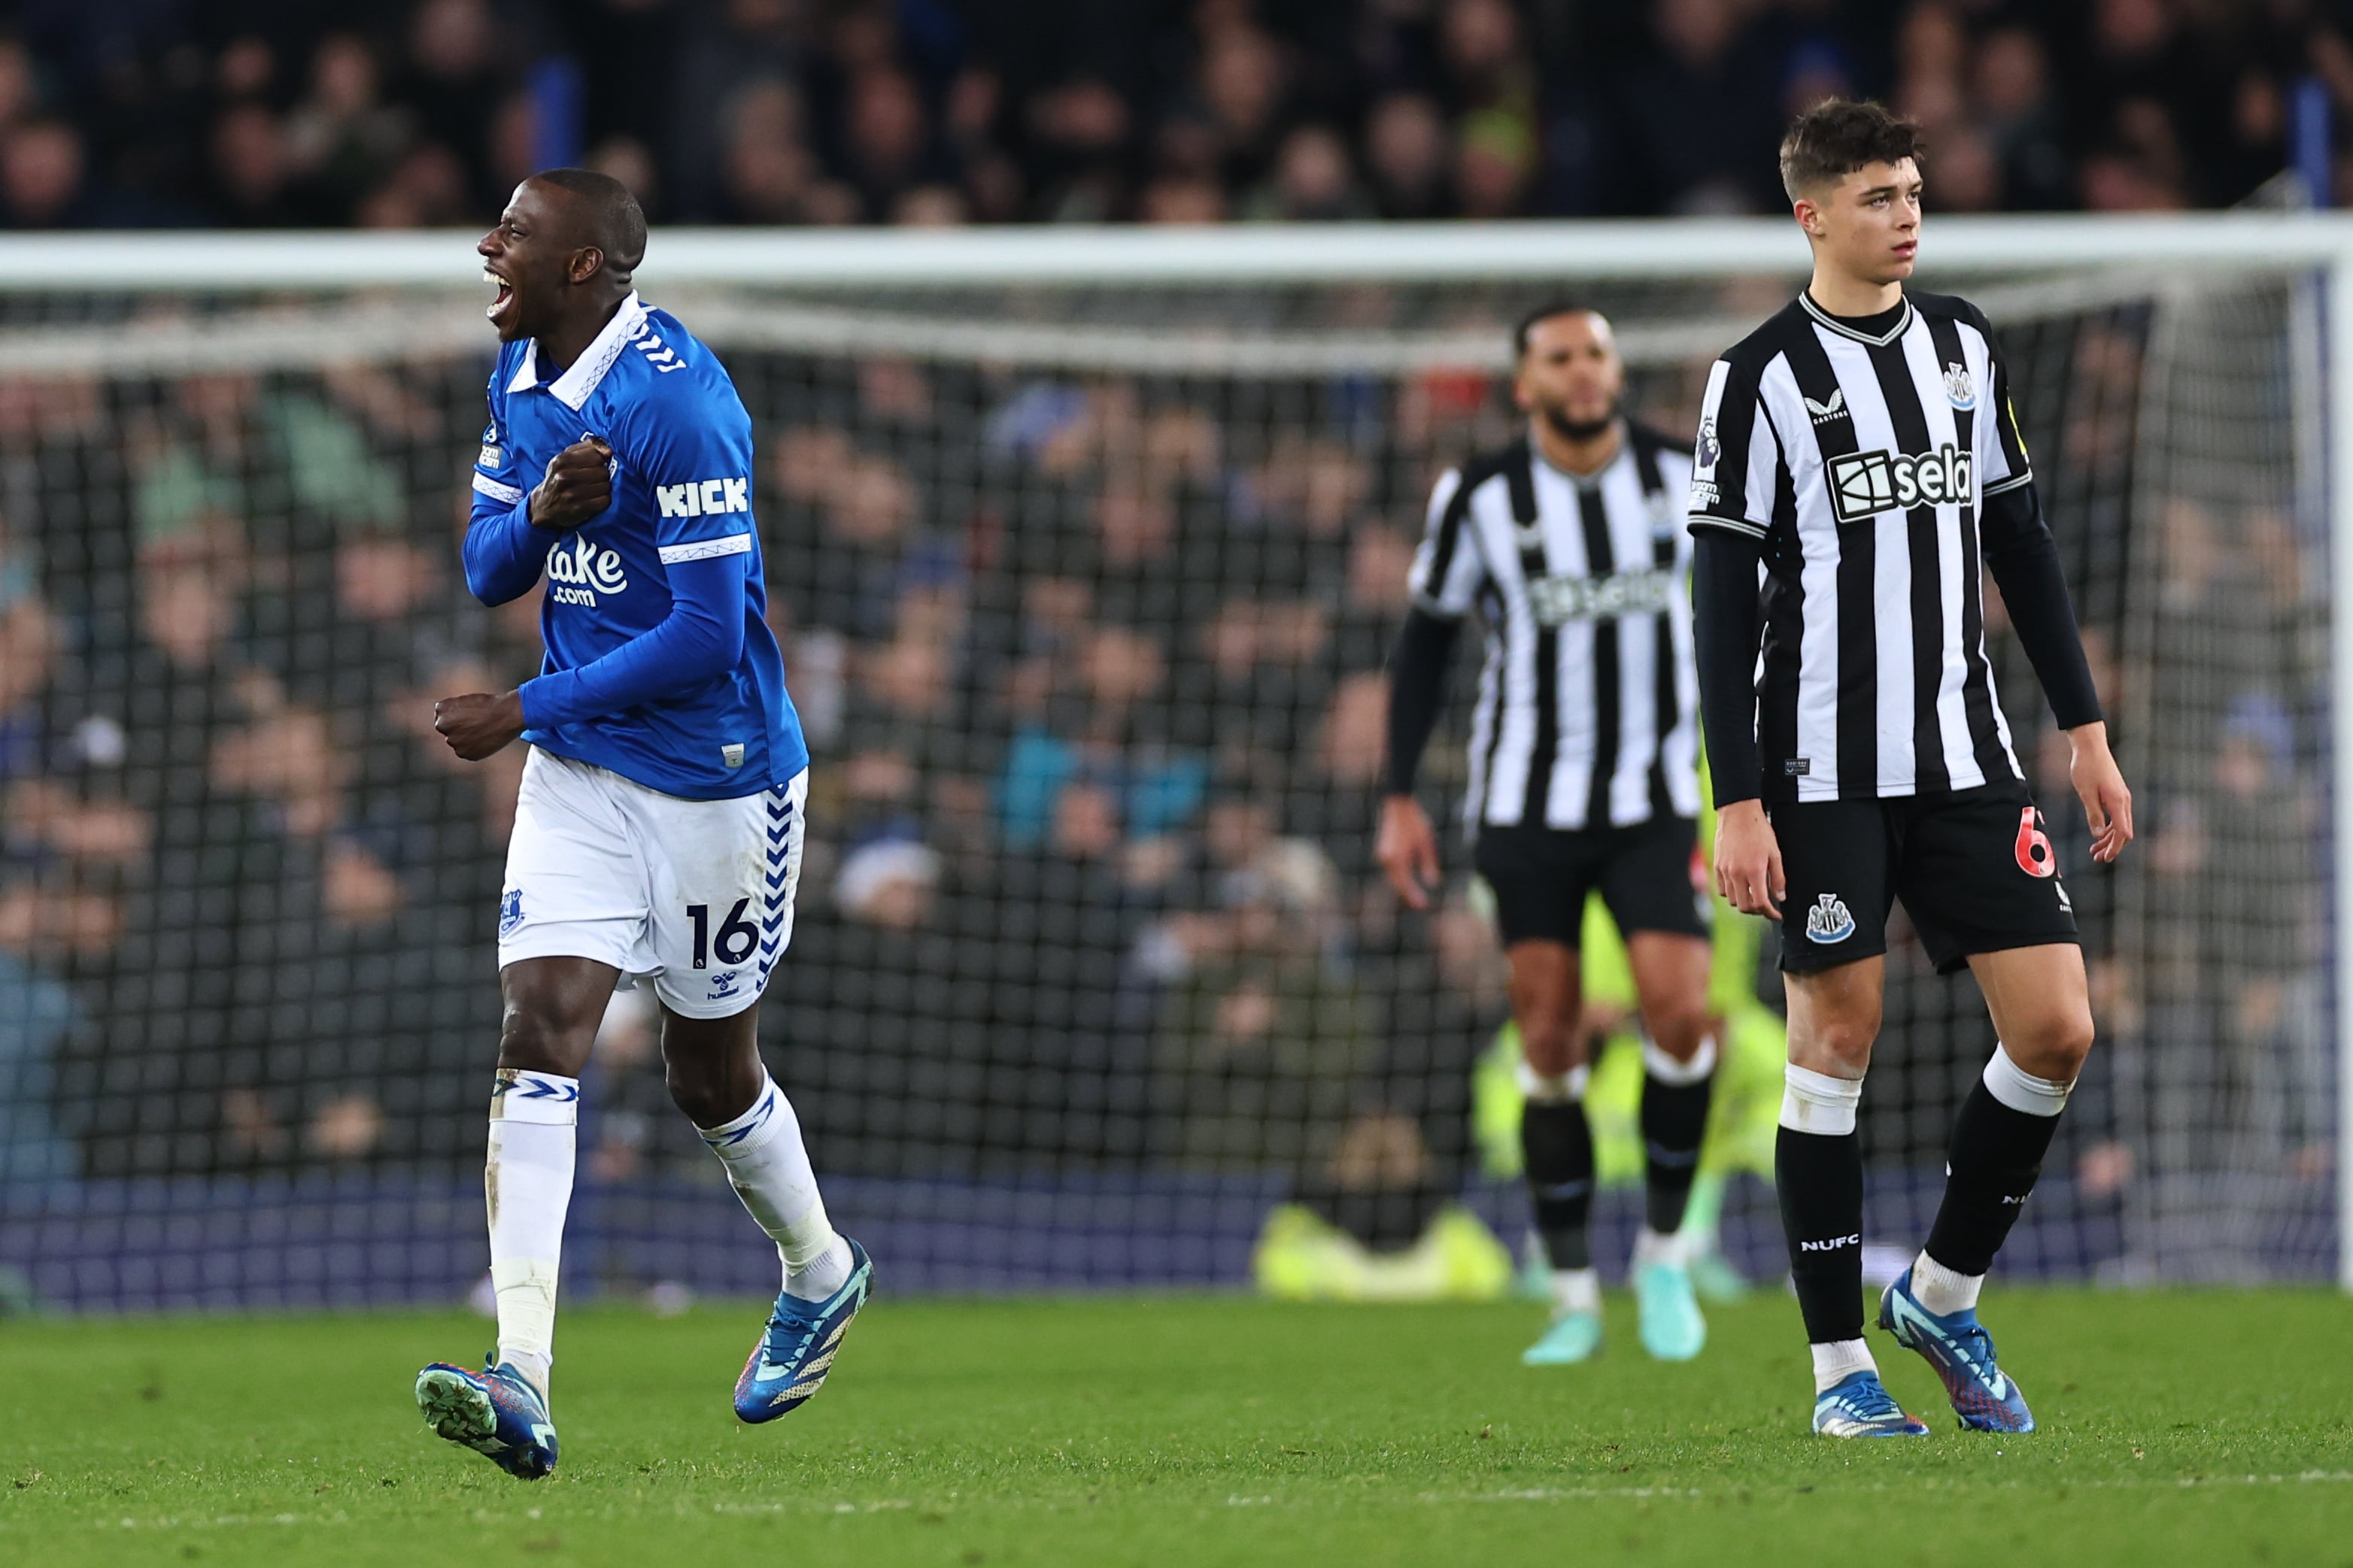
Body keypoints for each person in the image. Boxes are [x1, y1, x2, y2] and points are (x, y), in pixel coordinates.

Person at [1689, 100, 2133, 1439]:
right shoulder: (1755, 378)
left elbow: (2021, 538)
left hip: (1965, 752)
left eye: (1914, 193)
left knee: (2057, 1027)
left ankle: (1940, 1294)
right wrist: (1737, 795)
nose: (1907, 217)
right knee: (1836, 1040)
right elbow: (1718, 601)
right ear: (1813, 214)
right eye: (1880, 196)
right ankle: (1841, 1372)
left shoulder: (1962, 345)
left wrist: (2086, 727)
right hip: (1820, 765)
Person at [415, 169, 869, 1480]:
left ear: (583, 266)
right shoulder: (518, 370)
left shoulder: (681, 401)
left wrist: (525, 704)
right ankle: (521, 1371)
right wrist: (541, 514)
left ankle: (820, 1269)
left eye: (515, 230)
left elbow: (708, 633)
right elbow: (486, 565)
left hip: (720, 781)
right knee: (539, 1027)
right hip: (581, 774)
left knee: (707, 1074)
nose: (488, 245)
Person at [1378, 304, 1717, 1366]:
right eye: (1559, 358)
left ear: (1618, 369)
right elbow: (1427, 640)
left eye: (1597, 354)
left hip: (1654, 800)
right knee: (1551, 1039)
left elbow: (1750, 613)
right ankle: (1573, 1293)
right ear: (1523, 385)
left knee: (1681, 1015)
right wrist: (1398, 794)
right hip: (1525, 808)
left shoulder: (1681, 477)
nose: (1582, 372)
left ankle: (1663, 1255)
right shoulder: (1479, 497)